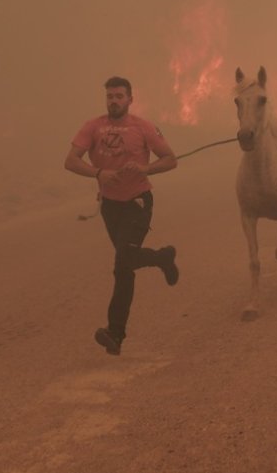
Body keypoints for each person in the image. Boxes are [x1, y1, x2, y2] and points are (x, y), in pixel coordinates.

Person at [64, 76, 180, 356]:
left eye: (119, 96)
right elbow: (71, 161)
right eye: (110, 96)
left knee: (124, 259)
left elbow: (170, 159)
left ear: (130, 99)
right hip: (110, 206)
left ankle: (115, 331)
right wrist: (99, 174)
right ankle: (161, 258)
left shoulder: (144, 127)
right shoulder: (93, 126)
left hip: (137, 201)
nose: (114, 101)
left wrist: (146, 169)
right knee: (124, 268)